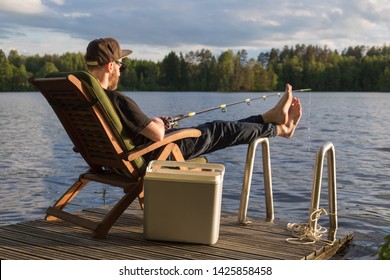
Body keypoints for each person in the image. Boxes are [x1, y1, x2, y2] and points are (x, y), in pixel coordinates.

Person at [85, 37, 302, 163]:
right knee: (220, 129)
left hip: (127, 155)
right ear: (110, 66)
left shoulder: (88, 100)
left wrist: (150, 123)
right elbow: (157, 134)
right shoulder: (116, 100)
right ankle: (280, 130)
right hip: (156, 154)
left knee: (219, 128)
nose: (122, 71)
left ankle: (268, 117)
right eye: (121, 65)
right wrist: (159, 124)